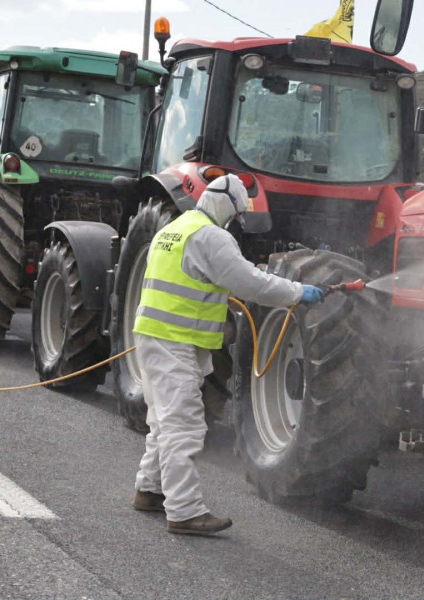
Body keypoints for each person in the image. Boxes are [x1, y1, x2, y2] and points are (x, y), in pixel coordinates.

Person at [131, 173, 325, 536]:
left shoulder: (174, 229)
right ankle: (185, 511)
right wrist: (298, 291)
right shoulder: (211, 237)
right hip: (174, 341)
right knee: (183, 425)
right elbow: (252, 284)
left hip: (153, 336)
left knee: (163, 420)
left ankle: (150, 489)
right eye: (236, 215)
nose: (236, 223)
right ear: (228, 207)